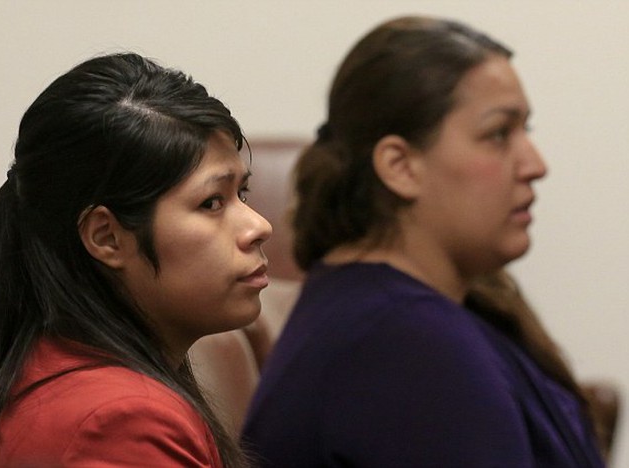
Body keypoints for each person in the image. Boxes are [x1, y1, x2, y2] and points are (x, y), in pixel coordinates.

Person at [242, 16, 605, 467]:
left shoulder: (406, 315)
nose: (535, 164)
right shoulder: (404, 347)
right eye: (498, 134)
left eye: (525, 131)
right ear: (400, 165)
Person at [0, 52, 271, 467]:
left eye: (241, 195)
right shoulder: (119, 423)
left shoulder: (73, 371)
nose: (258, 226)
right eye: (212, 202)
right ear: (107, 237)